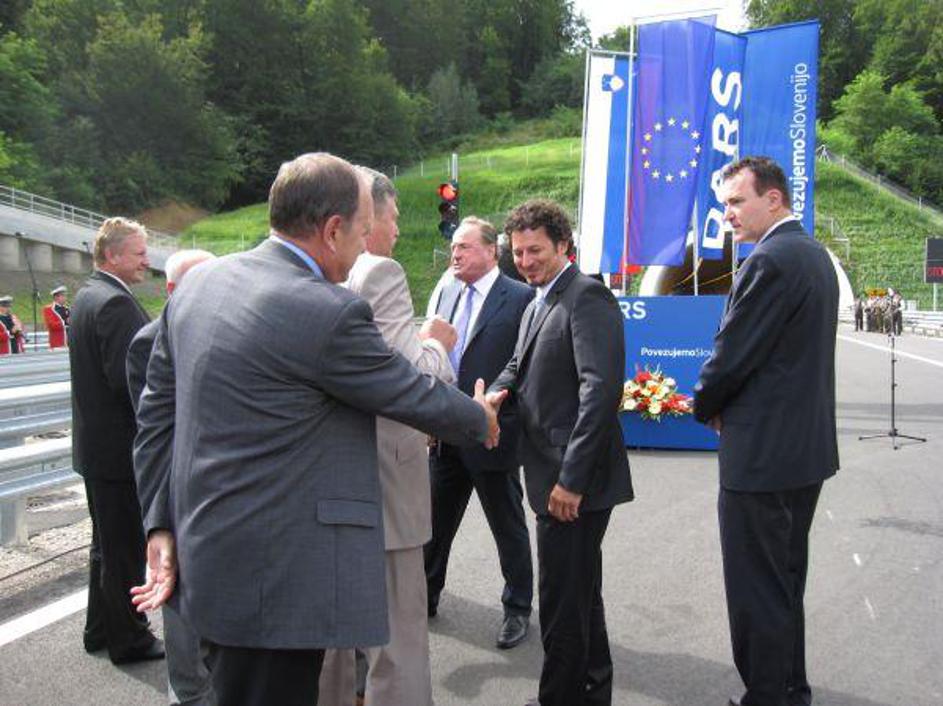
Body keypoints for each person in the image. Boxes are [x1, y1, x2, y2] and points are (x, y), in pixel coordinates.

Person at [131, 152, 502, 706]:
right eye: (362, 230)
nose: (365, 243)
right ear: (332, 231)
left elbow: (157, 414)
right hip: (275, 583)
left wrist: (159, 522)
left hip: (204, 559)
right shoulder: (324, 310)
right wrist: (480, 417)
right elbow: (408, 391)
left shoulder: (200, 283)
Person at [693, 157, 839, 706]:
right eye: (724, 204)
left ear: (773, 199)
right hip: (803, 452)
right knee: (784, 582)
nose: (727, 214)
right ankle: (789, 690)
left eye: (736, 201)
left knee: (757, 588)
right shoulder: (813, 254)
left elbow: (732, 355)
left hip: (761, 457)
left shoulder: (769, 261)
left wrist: (705, 405)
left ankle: (768, 695)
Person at [319, 167, 457, 706]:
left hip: (326, 479)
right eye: (393, 218)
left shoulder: (314, 274)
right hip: (385, 476)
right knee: (398, 639)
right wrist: (437, 341)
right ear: (365, 217)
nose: (397, 230)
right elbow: (412, 378)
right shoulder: (380, 273)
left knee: (333, 636)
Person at [488, 199, 633, 706]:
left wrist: (571, 480)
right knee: (580, 596)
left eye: (536, 251)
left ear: (564, 245)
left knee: (561, 604)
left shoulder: (586, 296)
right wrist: (493, 396)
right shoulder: (538, 302)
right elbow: (517, 365)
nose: (526, 261)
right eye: (518, 252)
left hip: (572, 483)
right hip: (550, 473)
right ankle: (591, 693)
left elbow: (601, 392)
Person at [425, 216, 535, 649]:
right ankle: (425, 595)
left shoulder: (520, 297)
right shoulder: (447, 292)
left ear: (492, 251)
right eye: (454, 246)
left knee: (507, 527)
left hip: (494, 433)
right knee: (433, 525)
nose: (455, 254)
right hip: (447, 433)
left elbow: (525, 362)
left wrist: (497, 402)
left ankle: (517, 608)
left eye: (465, 247)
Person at [69, 217, 162, 665]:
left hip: (96, 449)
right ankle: (130, 638)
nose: (147, 260)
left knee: (105, 547)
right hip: (120, 453)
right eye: (139, 252)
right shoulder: (116, 304)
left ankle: (101, 628)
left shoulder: (88, 295)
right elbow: (132, 381)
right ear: (112, 255)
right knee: (124, 549)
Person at [127, 249, 216, 706]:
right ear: (172, 290)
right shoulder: (150, 341)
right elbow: (156, 434)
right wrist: (160, 519)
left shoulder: (222, 332)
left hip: (218, 499)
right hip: (178, 498)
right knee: (183, 625)